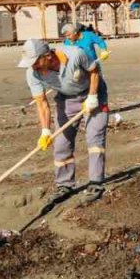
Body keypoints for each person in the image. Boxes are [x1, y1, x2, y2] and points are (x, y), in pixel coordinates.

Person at [18, 38, 109, 203]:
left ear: (47, 56)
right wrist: (45, 131)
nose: (33, 66)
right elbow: (42, 103)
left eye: (35, 62)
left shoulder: (75, 55)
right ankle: (64, 184)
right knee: (61, 144)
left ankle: (96, 182)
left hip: (93, 94)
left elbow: (94, 70)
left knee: (94, 138)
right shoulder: (32, 73)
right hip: (66, 100)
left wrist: (92, 97)